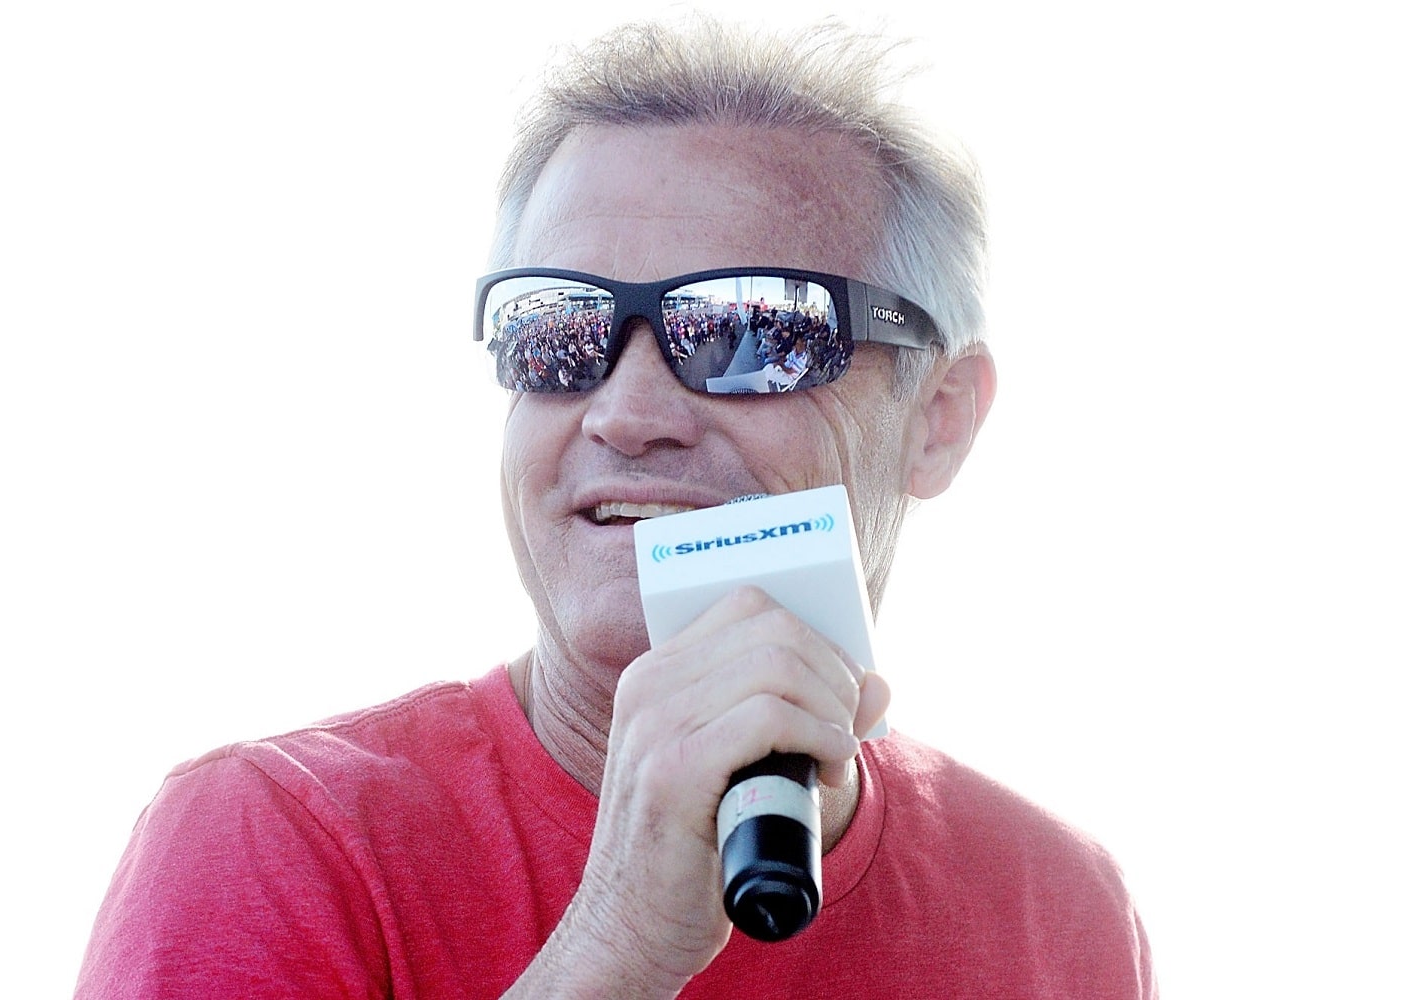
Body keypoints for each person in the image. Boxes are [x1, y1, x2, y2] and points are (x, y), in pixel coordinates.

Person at [77, 17, 1156, 999]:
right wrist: (620, 943)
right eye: (559, 330)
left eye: (746, 328)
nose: (627, 413)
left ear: (941, 415)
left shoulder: (1058, 907)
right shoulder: (272, 840)